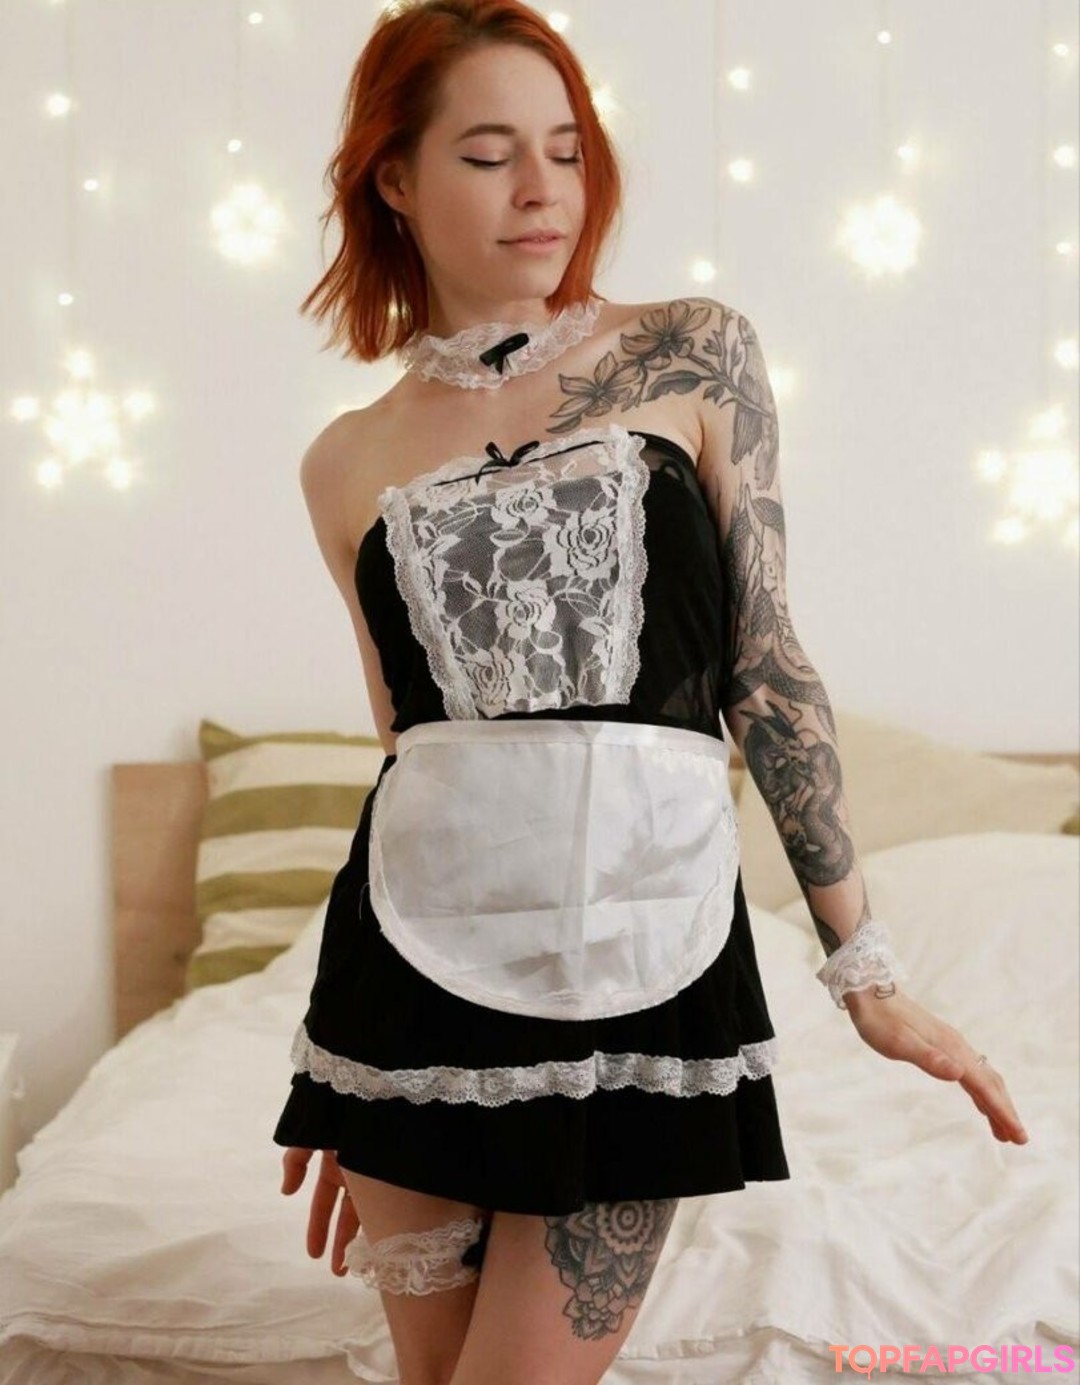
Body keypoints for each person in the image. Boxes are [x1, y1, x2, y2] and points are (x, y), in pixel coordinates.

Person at [273, 2, 1030, 1381]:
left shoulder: (692, 352)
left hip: (647, 962)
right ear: (395, 178)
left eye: (565, 149)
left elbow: (767, 662)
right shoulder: (345, 459)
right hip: (402, 986)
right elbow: (410, 746)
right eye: (489, 153)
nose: (542, 188)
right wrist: (353, 1079)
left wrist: (863, 970)